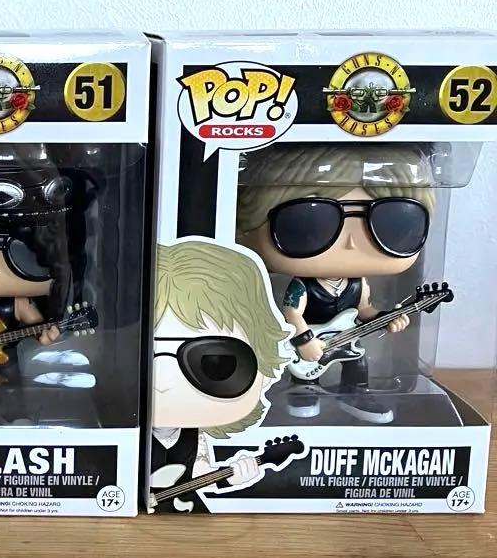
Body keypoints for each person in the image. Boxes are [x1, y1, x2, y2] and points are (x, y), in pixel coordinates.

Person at [237, 143, 434, 423]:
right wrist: (305, 341)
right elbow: (291, 314)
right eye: (309, 221)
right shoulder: (302, 287)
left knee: (357, 364)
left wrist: (386, 318)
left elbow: (364, 310)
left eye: (393, 223)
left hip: (346, 339)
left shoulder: (359, 283)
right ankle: (304, 390)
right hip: (309, 340)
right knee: (306, 375)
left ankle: (357, 392)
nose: (351, 242)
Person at [150, 239, 289, 513]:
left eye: (212, 364)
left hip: (189, 517)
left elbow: (200, 475)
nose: (163, 383)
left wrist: (234, 477)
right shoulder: (127, 433)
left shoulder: (193, 436)